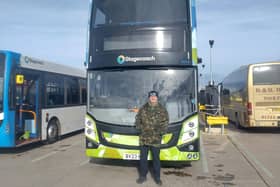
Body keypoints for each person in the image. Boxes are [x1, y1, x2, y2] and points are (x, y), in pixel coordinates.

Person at [135, 90, 169, 186]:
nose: (153, 98)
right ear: (149, 98)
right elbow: (137, 120)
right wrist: (140, 129)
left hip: (155, 139)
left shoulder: (162, 109)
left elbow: (165, 123)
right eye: (151, 97)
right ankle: (142, 176)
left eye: (154, 97)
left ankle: (157, 178)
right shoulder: (143, 108)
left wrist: (160, 133)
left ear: (157, 98)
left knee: (156, 159)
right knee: (143, 159)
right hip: (144, 138)